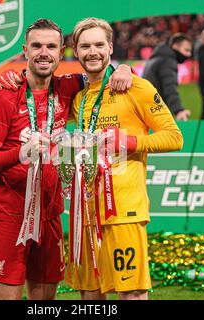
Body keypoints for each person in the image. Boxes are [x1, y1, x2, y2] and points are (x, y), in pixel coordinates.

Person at [0, 18, 132, 300]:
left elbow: (101, 70)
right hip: (10, 216)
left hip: (50, 214)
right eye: (36, 46)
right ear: (25, 50)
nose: (43, 52)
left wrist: (122, 68)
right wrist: (20, 154)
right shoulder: (3, 98)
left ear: (62, 53)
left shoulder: (68, 87)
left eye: (51, 46)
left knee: (45, 299)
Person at [65, 17, 184, 300]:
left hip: (124, 212)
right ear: (76, 51)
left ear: (110, 47)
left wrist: (129, 142)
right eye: (85, 46)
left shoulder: (136, 87)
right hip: (85, 212)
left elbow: (174, 137)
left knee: (131, 294)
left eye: (98, 45)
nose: (92, 52)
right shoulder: (79, 96)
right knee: (90, 295)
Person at [142, 33, 193, 121]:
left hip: (146, 107)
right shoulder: (168, 61)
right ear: (175, 46)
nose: (189, 54)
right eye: (186, 50)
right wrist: (179, 110)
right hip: (155, 109)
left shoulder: (157, 57)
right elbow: (170, 87)